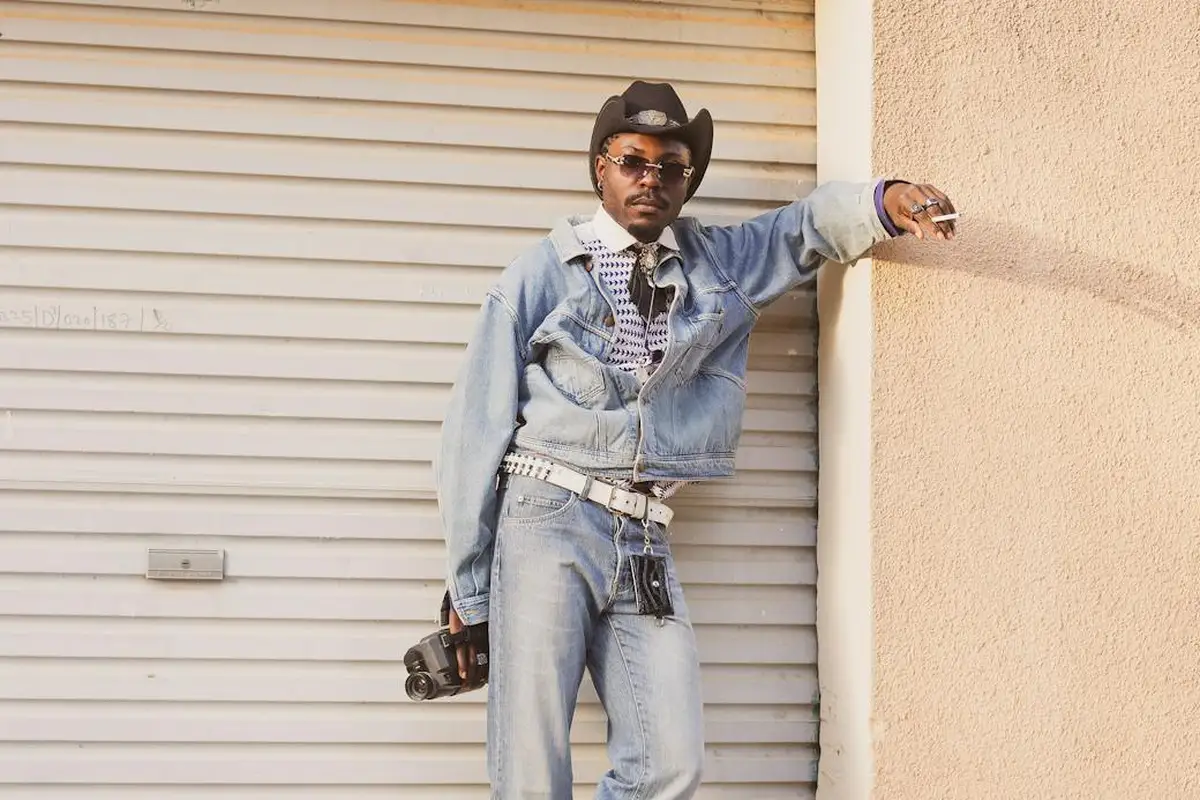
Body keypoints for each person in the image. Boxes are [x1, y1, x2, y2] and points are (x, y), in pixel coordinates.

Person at [434, 80, 957, 799]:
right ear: (600, 167)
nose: (650, 179)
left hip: (644, 535)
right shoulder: (542, 273)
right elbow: (475, 426)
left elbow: (800, 230)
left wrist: (883, 203)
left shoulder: (716, 264)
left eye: (670, 167)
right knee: (531, 765)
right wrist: (468, 585)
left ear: (687, 180)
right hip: (545, 516)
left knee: (669, 763)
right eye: (633, 161)